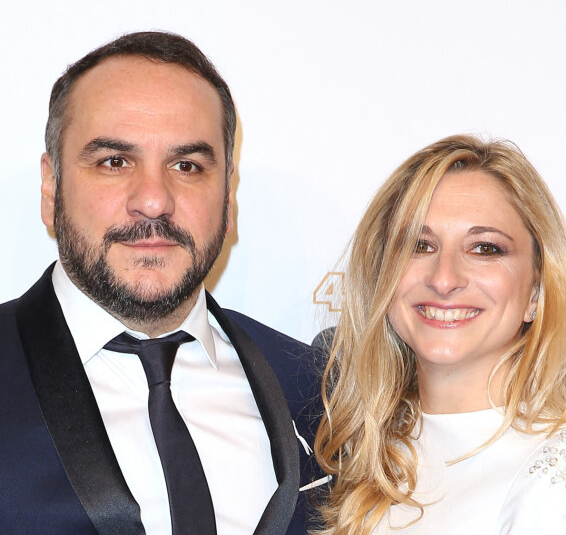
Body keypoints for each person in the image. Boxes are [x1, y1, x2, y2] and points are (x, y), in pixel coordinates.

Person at [0, 31, 324, 535]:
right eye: (114, 162)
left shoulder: (317, 389)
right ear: (51, 187)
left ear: (228, 195)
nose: (153, 200)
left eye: (187, 166)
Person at [314, 135, 566, 534]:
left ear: (536, 292)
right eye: (419, 245)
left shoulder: (559, 475)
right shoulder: (359, 454)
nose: (444, 278)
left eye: (485, 249)